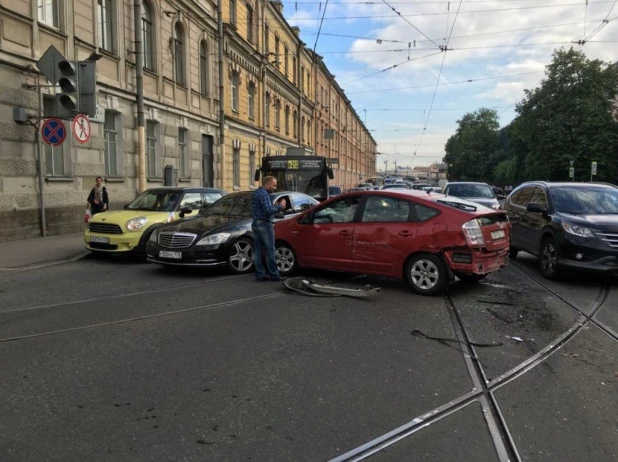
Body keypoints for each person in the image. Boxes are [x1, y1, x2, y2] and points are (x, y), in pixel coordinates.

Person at [252, 176, 286, 282]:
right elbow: (268, 210)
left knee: (257, 251)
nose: (275, 187)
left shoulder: (256, 192)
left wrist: (273, 205)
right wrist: (281, 206)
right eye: (274, 185)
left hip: (255, 223)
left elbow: (261, 207)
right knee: (270, 250)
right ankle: (274, 275)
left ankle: (260, 275)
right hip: (265, 224)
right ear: (268, 184)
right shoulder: (264, 194)